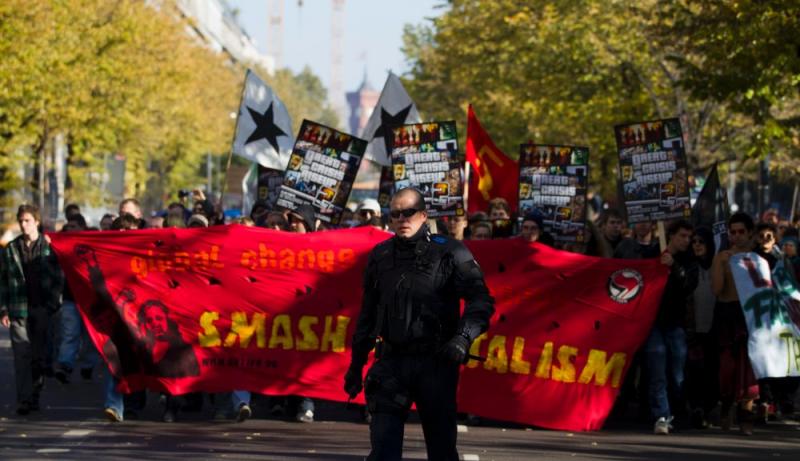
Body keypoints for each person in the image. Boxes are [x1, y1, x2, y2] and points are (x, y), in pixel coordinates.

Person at [344, 187, 495, 460]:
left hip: (436, 365)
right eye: (396, 214)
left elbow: (481, 300)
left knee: (442, 451)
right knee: (383, 453)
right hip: (391, 364)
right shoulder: (380, 255)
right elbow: (367, 315)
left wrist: (463, 337)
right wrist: (356, 367)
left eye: (409, 213)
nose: (402, 219)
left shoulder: (450, 252)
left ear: (423, 215)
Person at [0, 204, 65, 415]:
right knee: (21, 355)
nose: (23, 224)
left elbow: (59, 277)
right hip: (18, 308)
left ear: (36, 221)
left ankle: (35, 393)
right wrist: (3, 309)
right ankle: (24, 399)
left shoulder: (49, 247)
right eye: (21, 221)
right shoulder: (11, 248)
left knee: (38, 355)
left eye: (27, 220)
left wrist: (54, 304)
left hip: (42, 307)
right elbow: (2, 281)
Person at [710, 212, 760, 435]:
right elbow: (717, 290)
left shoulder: (758, 259)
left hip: (749, 317)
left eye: (741, 232)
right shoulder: (722, 257)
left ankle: (746, 417)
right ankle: (726, 406)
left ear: (750, 233)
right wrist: (724, 264)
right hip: (727, 315)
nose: (737, 236)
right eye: (733, 232)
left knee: (749, 370)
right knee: (727, 368)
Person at [647, 220, 698, 434]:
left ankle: (678, 409)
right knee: (657, 367)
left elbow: (688, 285)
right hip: (653, 322)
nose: (687, 241)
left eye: (689, 237)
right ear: (671, 236)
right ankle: (661, 415)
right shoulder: (653, 253)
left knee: (677, 373)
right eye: (682, 236)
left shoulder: (689, 260)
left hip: (676, 324)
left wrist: (674, 267)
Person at [54, 219, 100, 384]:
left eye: (74, 227)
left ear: (83, 228)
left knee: (89, 337)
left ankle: (88, 364)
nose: (71, 230)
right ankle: (65, 365)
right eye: (68, 227)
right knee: (70, 333)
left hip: (90, 301)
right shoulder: (62, 248)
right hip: (70, 299)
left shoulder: (91, 247)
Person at [685, 227, 718, 429]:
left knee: (712, 372)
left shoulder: (718, 267)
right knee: (694, 372)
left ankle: (708, 408)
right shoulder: (689, 268)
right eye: (694, 241)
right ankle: (696, 408)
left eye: (701, 241)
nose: (697, 245)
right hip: (694, 329)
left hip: (714, 329)